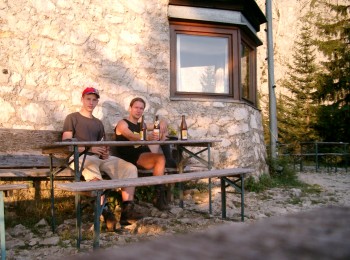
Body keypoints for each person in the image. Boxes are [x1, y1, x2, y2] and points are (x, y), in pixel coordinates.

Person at [62, 87, 143, 228]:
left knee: (129, 168)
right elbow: (67, 142)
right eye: (88, 99)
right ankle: (105, 213)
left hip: (100, 157)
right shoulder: (72, 118)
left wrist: (105, 152)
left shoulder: (98, 123)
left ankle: (127, 212)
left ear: (97, 102)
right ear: (82, 100)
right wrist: (89, 148)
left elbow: (103, 144)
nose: (91, 102)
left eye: (94, 100)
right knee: (92, 168)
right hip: (80, 156)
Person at [114, 97, 175, 210]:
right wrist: (146, 137)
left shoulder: (142, 125)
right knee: (160, 159)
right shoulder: (122, 123)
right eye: (136, 107)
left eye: (141, 108)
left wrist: (162, 122)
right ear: (130, 108)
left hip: (144, 154)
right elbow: (130, 136)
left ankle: (159, 195)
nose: (138, 110)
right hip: (131, 157)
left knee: (163, 133)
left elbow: (161, 123)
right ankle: (158, 196)